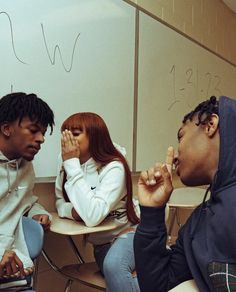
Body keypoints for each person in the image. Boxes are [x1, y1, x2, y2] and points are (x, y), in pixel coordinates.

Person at [134, 95, 236, 292]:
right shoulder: (199, 222)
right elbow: (159, 286)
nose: (174, 157)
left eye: (181, 136)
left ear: (210, 125)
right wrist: (152, 212)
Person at [55, 112, 140, 292]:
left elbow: (93, 215)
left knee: (114, 266)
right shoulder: (67, 166)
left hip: (131, 233)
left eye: (75, 133)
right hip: (103, 245)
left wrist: (71, 165)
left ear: (95, 136)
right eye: (65, 134)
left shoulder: (114, 166)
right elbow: (59, 203)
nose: (68, 139)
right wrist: (73, 212)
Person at [0, 92, 54, 284]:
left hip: (14, 269)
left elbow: (26, 200)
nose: (41, 139)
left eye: (43, 132)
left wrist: (37, 213)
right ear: (6, 128)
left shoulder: (24, 165)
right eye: (33, 130)